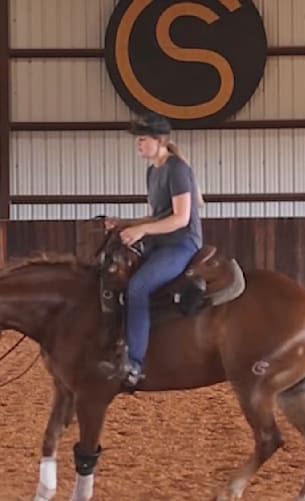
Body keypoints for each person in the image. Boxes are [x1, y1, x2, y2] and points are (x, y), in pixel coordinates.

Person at [103, 112, 204, 388]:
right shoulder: (154, 171)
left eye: (143, 139)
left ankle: (134, 363)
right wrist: (126, 223)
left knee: (138, 287)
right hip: (161, 242)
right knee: (113, 275)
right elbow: (158, 215)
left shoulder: (177, 170)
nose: (138, 144)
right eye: (138, 139)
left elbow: (180, 219)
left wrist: (141, 231)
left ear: (159, 140)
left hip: (182, 243)